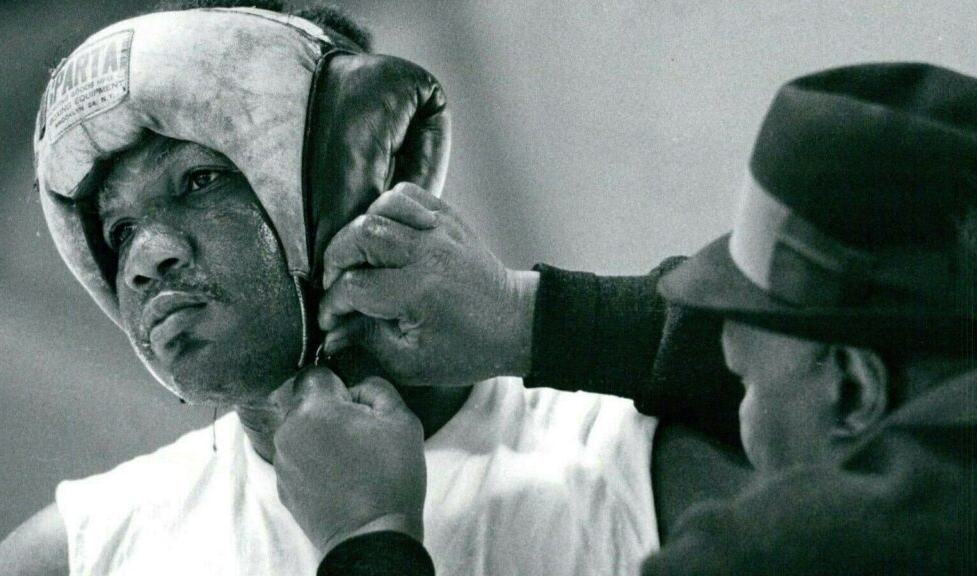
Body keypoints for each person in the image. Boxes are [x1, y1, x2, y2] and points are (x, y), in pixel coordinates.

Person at [0, 3, 741, 574]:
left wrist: (366, 535)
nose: (146, 259)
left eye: (201, 181)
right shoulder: (75, 556)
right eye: (117, 232)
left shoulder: (634, 470)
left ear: (346, 187)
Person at [291, 62, 976, 574]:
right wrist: (525, 315)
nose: (727, 403)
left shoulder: (807, 552)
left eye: (744, 382)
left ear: (855, 389)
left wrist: (367, 536)